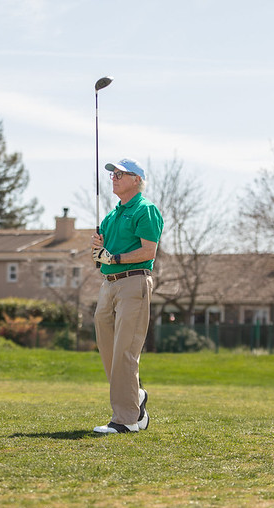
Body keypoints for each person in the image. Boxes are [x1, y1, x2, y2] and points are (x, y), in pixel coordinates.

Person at [91, 158, 164, 434]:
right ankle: (135, 396)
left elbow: (148, 252)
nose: (114, 177)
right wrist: (98, 250)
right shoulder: (111, 216)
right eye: (113, 174)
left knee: (125, 351)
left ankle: (126, 420)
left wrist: (114, 256)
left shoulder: (146, 210)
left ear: (137, 180)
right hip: (108, 285)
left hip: (134, 283)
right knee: (109, 351)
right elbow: (102, 260)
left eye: (121, 174)